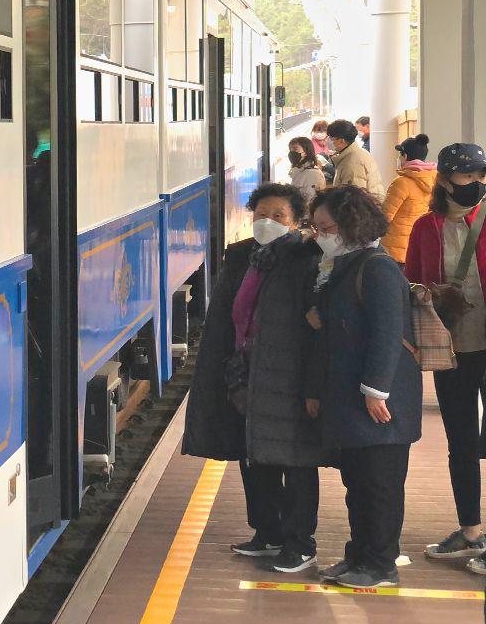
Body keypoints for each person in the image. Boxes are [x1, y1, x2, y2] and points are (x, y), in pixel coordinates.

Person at [184, 183, 325, 573]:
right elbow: (227, 319)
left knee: (295, 459)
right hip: (245, 374)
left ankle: (300, 541)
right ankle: (267, 531)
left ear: (297, 221)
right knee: (254, 455)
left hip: (287, 376)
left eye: (278, 216)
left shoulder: (307, 259)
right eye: (261, 215)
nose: (268, 222)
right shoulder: (243, 256)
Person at [308, 185, 422, 587]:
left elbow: (388, 333)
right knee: (358, 482)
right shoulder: (348, 265)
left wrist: (376, 389)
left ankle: (381, 563)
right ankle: (359, 554)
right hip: (353, 397)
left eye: (325, 227)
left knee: (380, 485)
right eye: (316, 227)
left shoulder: (378, 267)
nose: (319, 235)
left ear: (351, 224)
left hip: (381, 402)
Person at [403, 142, 486, 572]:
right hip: (451, 348)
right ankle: (470, 530)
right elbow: (412, 278)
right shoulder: (425, 227)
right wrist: (425, 293)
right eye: (466, 176)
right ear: (446, 179)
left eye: (479, 175)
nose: (475, 183)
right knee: (461, 442)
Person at [382, 134, 436, 264]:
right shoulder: (434, 180)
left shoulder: (401, 183)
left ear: (404, 156)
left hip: (395, 247)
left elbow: (385, 217)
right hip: (418, 243)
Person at [327, 118, 385, 198]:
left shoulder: (352, 163)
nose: (329, 141)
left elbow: (353, 199)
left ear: (341, 141)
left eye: (331, 138)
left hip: (361, 209)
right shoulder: (355, 153)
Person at [287, 136, 327, 204]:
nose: (292, 152)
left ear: (306, 151)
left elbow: (309, 200)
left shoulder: (313, 173)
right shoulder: (298, 170)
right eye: (290, 149)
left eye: (295, 149)